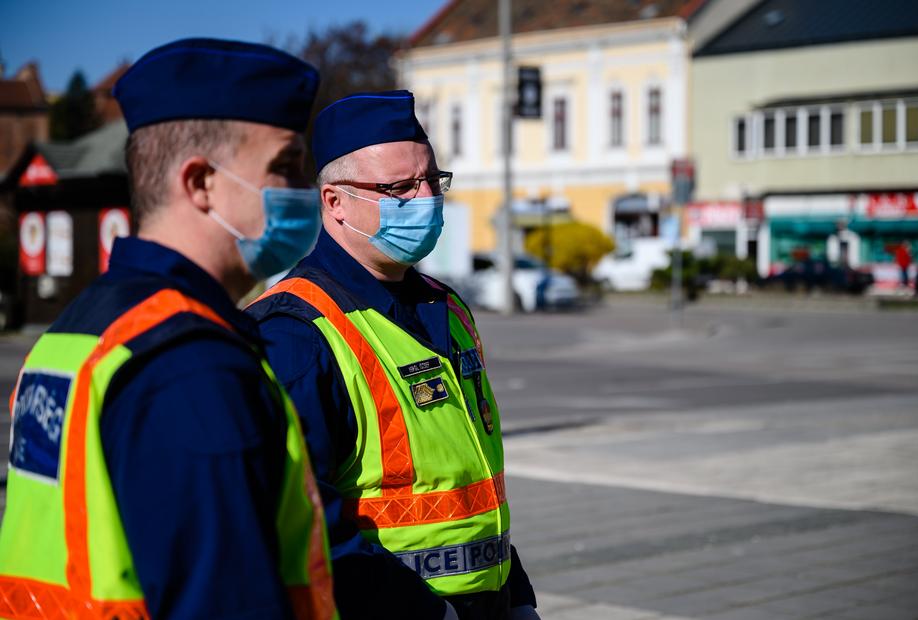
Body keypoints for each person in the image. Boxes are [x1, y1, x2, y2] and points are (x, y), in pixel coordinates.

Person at [0, 38, 336, 619]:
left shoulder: (84, 325)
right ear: (201, 181)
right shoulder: (191, 365)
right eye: (285, 165)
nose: (305, 187)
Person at [247, 91, 539, 620]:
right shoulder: (294, 331)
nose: (426, 198)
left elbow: (467, 487)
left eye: (432, 181)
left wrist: (517, 595)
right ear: (334, 202)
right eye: (400, 187)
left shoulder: (445, 306)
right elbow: (295, 517)